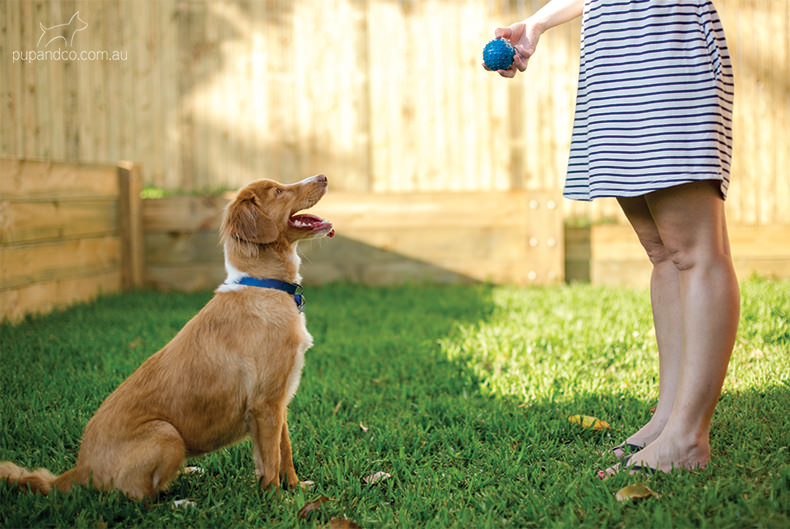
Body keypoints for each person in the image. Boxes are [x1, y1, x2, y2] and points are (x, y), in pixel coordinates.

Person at [487, 0, 739, 477]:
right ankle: (668, 418)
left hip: (666, 45)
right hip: (614, 55)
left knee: (695, 252)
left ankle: (688, 437)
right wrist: (538, 22)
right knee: (662, 252)